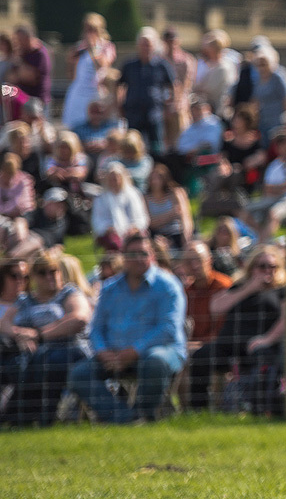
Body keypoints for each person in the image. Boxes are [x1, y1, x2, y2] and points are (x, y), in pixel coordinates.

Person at [69, 233, 184, 423]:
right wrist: (102, 351)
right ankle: (123, 417)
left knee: (155, 361)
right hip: (113, 355)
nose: (138, 259)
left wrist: (134, 351)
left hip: (159, 352)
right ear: (123, 256)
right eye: (132, 254)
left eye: (143, 253)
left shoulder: (168, 286)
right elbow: (96, 328)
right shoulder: (109, 288)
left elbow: (168, 328)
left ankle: (144, 415)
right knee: (79, 374)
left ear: (152, 256)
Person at [198, 245, 286, 414]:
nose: (267, 271)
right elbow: (216, 307)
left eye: (273, 266)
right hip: (230, 344)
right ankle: (198, 410)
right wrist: (250, 288)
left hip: (262, 344)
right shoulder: (240, 287)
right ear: (251, 267)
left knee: (263, 359)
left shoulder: (281, 291)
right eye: (262, 266)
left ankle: (259, 409)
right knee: (201, 356)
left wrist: (267, 340)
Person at [0, 252, 92, 425]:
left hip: (70, 349)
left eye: (53, 271)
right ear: (33, 277)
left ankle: (41, 417)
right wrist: (20, 334)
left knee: (48, 361)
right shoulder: (25, 299)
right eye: (42, 272)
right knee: (18, 362)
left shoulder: (68, 293)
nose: (49, 276)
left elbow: (79, 318)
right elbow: (3, 324)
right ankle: (20, 416)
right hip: (33, 352)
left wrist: (39, 335)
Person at [173, 241, 230, 407]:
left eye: (198, 259)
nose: (194, 265)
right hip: (190, 346)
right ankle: (186, 410)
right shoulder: (185, 293)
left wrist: (200, 344)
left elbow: (224, 330)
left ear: (209, 260)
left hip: (216, 346)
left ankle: (206, 408)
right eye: (188, 261)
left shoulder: (224, 286)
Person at [117, 28, 174, 154]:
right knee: (132, 145)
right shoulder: (129, 65)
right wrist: (119, 105)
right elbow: (119, 85)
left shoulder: (162, 65)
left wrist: (169, 105)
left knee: (156, 147)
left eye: (148, 44)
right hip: (133, 112)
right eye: (143, 44)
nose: (145, 47)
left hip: (154, 113)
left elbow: (173, 86)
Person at [62, 14, 115, 130]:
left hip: (96, 94)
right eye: (87, 29)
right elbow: (71, 76)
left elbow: (103, 67)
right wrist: (70, 61)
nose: (89, 33)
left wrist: (93, 50)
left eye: (93, 30)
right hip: (78, 94)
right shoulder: (79, 49)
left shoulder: (107, 47)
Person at [90, 162, 148, 252]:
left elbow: (141, 217)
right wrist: (107, 228)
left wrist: (134, 227)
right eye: (112, 178)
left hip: (132, 231)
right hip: (111, 232)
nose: (115, 180)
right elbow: (97, 219)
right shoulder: (101, 197)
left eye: (117, 177)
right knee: (114, 244)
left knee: (137, 244)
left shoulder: (133, 194)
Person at [159, 28, 197, 153]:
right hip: (163, 101)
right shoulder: (159, 59)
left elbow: (186, 85)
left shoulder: (186, 60)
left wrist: (176, 102)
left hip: (179, 102)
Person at [143, 164, 192, 252]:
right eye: (153, 178)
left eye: (158, 178)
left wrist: (186, 238)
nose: (155, 182)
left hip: (176, 233)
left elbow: (185, 217)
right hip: (157, 236)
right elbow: (150, 223)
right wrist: (171, 214)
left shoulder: (176, 193)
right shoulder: (145, 198)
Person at [193, 30, 239, 120]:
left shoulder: (223, 67)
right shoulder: (210, 65)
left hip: (218, 108)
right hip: (208, 107)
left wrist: (198, 88)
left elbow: (210, 89)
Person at [247, 43, 286, 134]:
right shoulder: (257, 80)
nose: (261, 68)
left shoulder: (277, 78)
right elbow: (255, 100)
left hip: (277, 119)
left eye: (263, 64)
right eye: (259, 65)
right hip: (263, 119)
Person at [11, 25, 53, 108]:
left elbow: (30, 77)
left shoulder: (39, 53)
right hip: (23, 101)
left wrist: (19, 62)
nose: (18, 43)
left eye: (20, 39)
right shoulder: (23, 53)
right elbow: (11, 78)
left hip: (38, 102)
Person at [0, 151, 33, 220]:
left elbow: (22, 204)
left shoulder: (24, 181)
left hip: (22, 216)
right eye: (6, 171)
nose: (8, 176)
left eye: (11, 173)